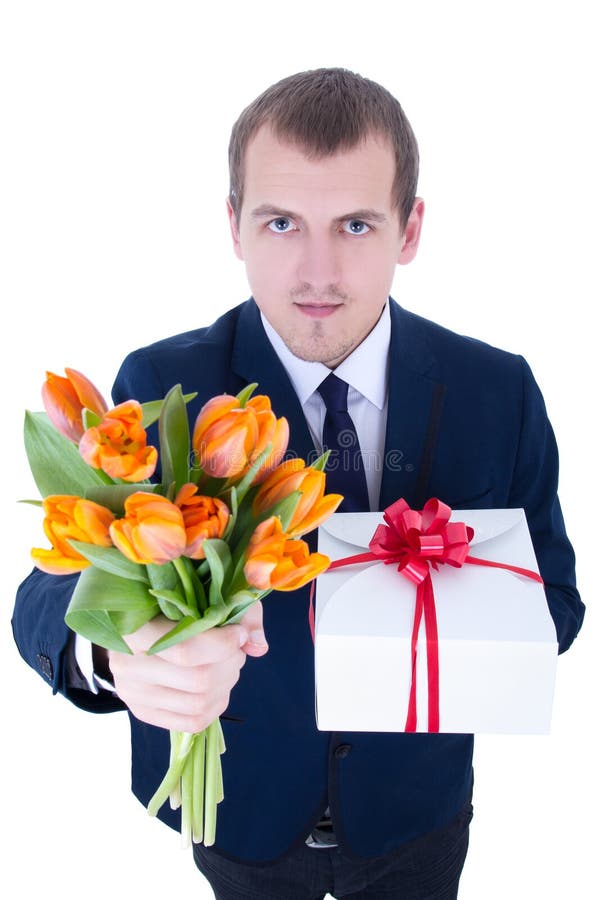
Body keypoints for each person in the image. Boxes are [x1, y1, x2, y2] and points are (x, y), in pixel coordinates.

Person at [12, 68, 584, 900]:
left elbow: (556, 606)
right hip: (237, 813)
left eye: (355, 224)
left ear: (410, 228)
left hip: (415, 818)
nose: (318, 272)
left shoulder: (498, 390)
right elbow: (50, 588)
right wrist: (110, 654)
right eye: (282, 222)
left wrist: (449, 611)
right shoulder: (164, 382)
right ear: (235, 227)